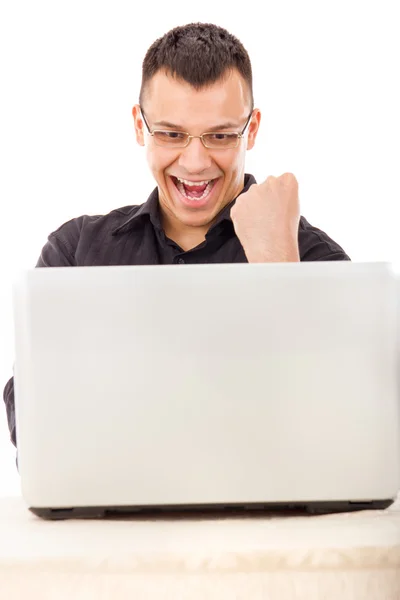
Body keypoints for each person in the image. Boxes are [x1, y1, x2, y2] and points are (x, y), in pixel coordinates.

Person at [3, 22, 350, 448]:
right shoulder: (76, 252)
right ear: (139, 126)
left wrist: (277, 265)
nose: (195, 161)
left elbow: (342, 423)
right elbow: (33, 411)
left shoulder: (309, 257)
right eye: (171, 134)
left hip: (264, 512)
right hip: (112, 503)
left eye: (220, 136)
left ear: (252, 130)